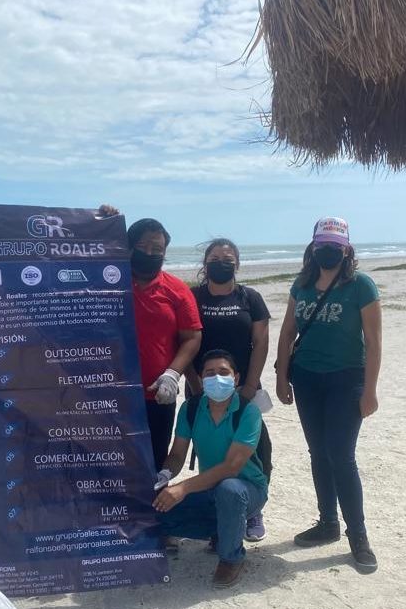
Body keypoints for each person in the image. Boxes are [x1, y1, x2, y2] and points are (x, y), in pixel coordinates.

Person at [276, 217, 382, 572]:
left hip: (345, 379)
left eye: (334, 246)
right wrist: (281, 376)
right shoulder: (302, 283)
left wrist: (370, 390)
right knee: (318, 452)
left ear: (346, 249)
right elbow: (288, 330)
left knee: (341, 455)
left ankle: (359, 535)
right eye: (322, 245)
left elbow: (374, 341)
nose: (327, 251)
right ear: (312, 246)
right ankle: (328, 524)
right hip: (307, 379)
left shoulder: (360, 285)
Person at [154, 350, 268, 588]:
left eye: (224, 372)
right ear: (201, 378)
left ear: (236, 378)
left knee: (230, 490)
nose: (217, 378)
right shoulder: (191, 409)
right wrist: (164, 475)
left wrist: (183, 487)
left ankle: (231, 557)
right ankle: (223, 531)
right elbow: (177, 455)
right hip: (209, 489)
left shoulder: (248, 412)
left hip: (248, 489)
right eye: (210, 373)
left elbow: (232, 467)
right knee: (154, 511)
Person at [186, 238, 272, 542]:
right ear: (205, 263)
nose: (220, 261)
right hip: (201, 386)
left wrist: (249, 385)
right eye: (214, 257)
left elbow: (261, 342)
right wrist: (196, 387)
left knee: (256, 448)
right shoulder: (191, 297)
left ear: (236, 263)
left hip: (242, 388)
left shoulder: (250, 298)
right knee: (210, 448)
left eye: (227, 257)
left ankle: (252, 510)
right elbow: (183, 341)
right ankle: (218, 510)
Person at [128, 218, 202, 469]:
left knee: (154, 461)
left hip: (157, 397)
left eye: (157, 249)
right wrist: (104, 220)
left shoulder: (178, 290)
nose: (149, 253)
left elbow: (192, 337)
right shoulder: (107, 281)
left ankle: (154, 509)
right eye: (143, 246)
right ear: (128, 247)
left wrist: (173, 373)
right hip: (110, 395)